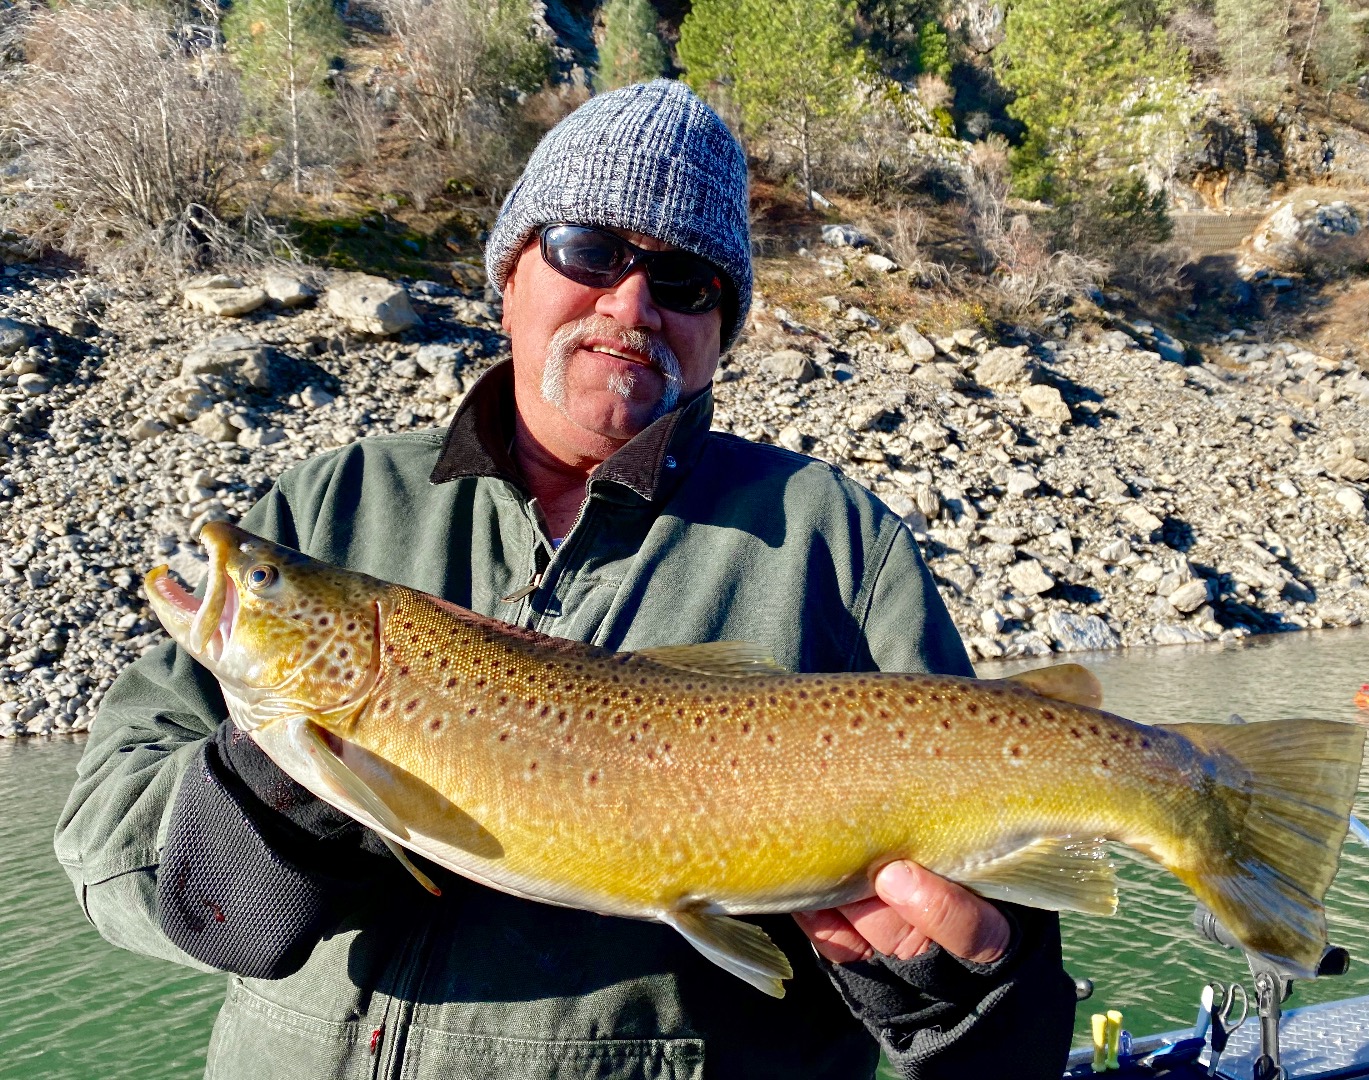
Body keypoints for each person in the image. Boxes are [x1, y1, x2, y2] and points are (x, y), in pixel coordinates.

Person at [56, 80, 1075, 1079]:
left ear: (720, 329)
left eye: (683, 281)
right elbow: (104, 849)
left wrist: (960, 980)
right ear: (508, 273)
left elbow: (1009, 1037)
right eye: (589, 249)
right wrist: (280, 786)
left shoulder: (837, 546)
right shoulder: (333, 507)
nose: (631, 304)